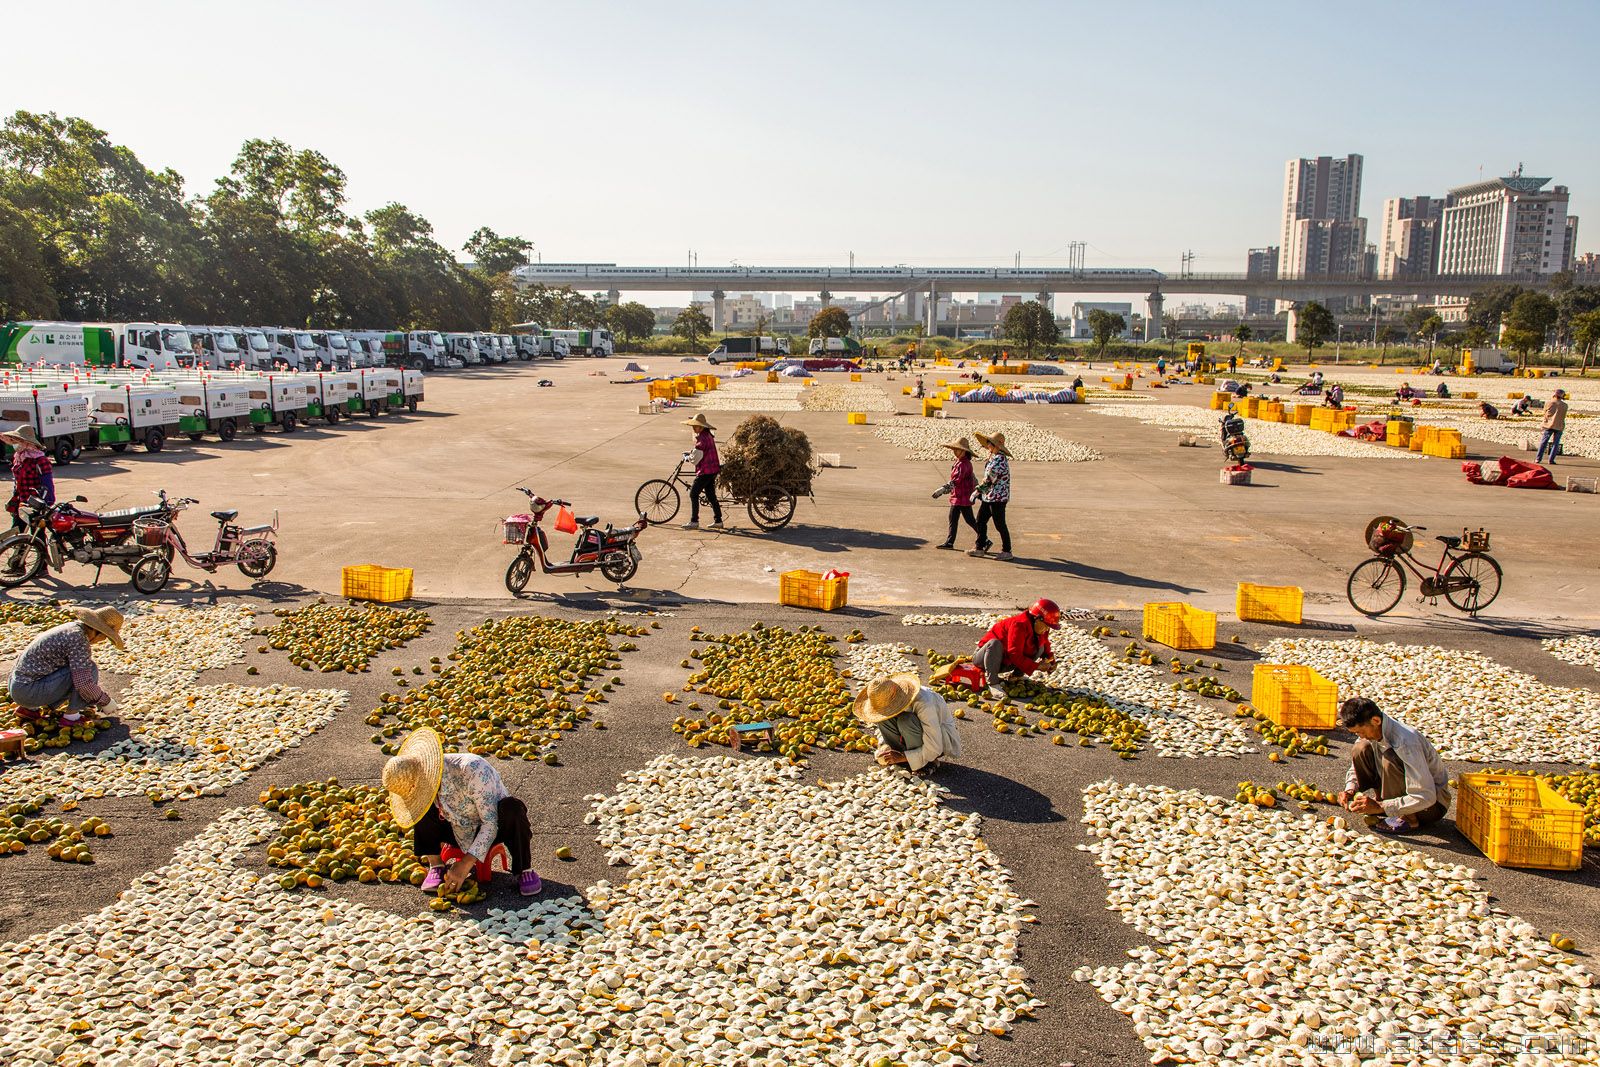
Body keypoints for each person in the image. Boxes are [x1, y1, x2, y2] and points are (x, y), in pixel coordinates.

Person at [383, 727, 542, 896]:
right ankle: (436, 864)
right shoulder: (421, 789)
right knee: (422, 811)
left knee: (513, 808)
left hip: (492, 826)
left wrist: (466, 863)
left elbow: (490, 823)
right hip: (457, 829)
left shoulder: (473, 770)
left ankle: (525, 869)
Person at [1336, 698, 1450, 833]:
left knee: (1390, 758)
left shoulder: (1406, 742)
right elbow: (1355, 767)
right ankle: (1383, 803)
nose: (1361, 736)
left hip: (1429, 807)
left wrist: (1380, 806)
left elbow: (1426, 797)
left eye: (1360, 732)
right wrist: (1350, 789)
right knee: (1361, 748)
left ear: (1376, 721)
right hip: (1403, 798)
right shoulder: (1374, 729)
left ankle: (1408, 818)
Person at [7, 606, 123, 722]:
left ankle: (29, 709)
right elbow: (83, 683)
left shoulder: (70, 628)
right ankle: (71, 717)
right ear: (97, 632)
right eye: (104, 637)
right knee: (89, 668)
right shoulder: (79, 639)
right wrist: (104, 701)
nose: (101, 641)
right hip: (28, 691)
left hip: (18, 685)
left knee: (77, 667)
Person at [853, 673, 961, 773]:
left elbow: (935, 746)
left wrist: (902, 757)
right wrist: (883, 746)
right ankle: (904, 756)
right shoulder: (888, 699)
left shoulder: (924, 702)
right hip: (913, 735)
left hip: (937, 742)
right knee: (884, 719)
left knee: (906, 720)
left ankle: (927, 762)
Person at [974, 599, 1060, 700]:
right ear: (1037, 619)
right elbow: (1014, 653)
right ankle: (993, 684)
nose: (1047, 629)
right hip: (985, 659)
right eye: (1046, 626)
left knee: (1039, 648)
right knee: (995, 644)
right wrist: (1037, 666)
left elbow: (1045, 645)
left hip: (1005, 662)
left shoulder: (1041, 628)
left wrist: (1050, 661)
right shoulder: (1018, 624)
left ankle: (1016, 677)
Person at [3, 423, 55, 535]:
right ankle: (20, 553)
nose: (15, 444)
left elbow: (48, 485)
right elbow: (17, 482)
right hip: (21, 502)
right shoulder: (18, 457)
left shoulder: (40, 460)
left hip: (36, 504)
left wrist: (47, 503)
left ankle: (42, 553)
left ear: (27, 442)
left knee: (37, 535)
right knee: (17, 533)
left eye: (18, 440)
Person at [968, 431, 1012, 560]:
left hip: (997, 498)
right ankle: (979, 547)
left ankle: (1007, 550)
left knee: (1000, 524)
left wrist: (977, 491)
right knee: (980, 520)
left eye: (989, 444)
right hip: (989, 496)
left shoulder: (1000, 460)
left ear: (996, 445)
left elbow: (990, 479)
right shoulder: (994, 458)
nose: (988, 446)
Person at [932, 437, 980, 550]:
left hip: (963, 498)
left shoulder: (964, 464)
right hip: (957, 496)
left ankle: (984, 538)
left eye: (957, 449)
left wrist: (943, 489)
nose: (954, 451)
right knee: (953, 518)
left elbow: (956, 481)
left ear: (964, 451)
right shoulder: (959, 462)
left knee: (970, 520)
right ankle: (950, 542)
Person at [679, 413, 723, 530]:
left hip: (706, 471)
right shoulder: (708, 436)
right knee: (710, 495)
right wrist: (691, 453)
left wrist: (687, 457)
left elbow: (695, 459)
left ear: (702, 427)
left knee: (693, 494)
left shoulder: (702, 439)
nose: (694, 428)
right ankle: (718, 520)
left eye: (696, 426)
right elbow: (699, 452)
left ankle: (694, 521)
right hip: (713, 469)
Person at [1537, 388, 1568, 464]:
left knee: (1543, 442)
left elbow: (1545, 413)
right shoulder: (1565, 405)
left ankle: (1538, 458)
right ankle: (1551, 460)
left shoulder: (1549, 403)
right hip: (1559, 426)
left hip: (1549, 425)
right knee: (1556, 444)